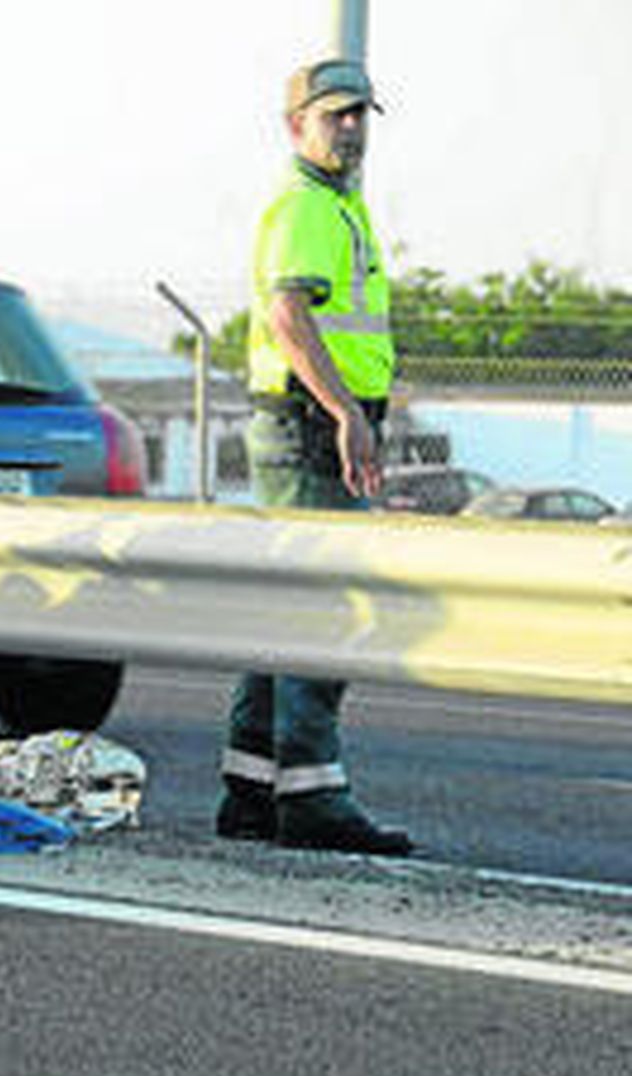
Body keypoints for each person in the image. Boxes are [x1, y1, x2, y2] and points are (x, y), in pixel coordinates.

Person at [216, 59, 413, 856]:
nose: (352, 127)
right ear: (295, 124)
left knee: (286, 606)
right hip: (309, 425)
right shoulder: (305, 208)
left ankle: (254, 792)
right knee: (326, 607)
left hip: (314, 422)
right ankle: (313, 795)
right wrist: (345, 414)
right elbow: (290, 315)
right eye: (336, 115)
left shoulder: (339, 208)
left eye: (361, 112)